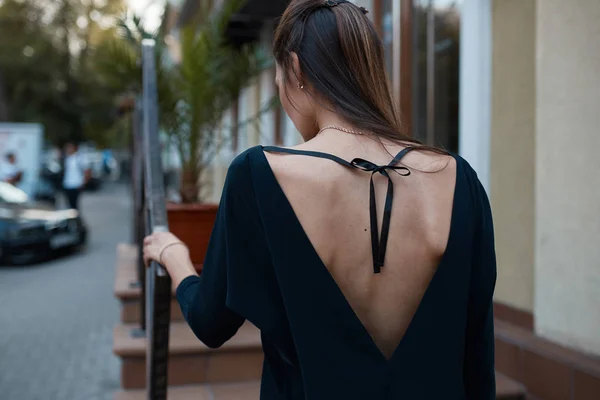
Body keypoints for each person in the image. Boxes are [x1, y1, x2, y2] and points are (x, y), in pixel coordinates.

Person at [143, 1, 497, 398]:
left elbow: (211, 324)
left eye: (277, 79)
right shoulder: (457, 177)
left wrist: (174, 257)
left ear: (295, 70)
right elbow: (477, 358)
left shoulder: (257, 175)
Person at [62, 142, 91, 211]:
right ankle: (71, 220)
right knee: (69, 205)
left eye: (70, 148)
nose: (68, 149)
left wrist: (84, 182)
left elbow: (87, 170)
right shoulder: (67, 158)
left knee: (74, 206)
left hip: (76, 185)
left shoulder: (79, 158)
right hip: (67, 184)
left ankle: (76, 221)